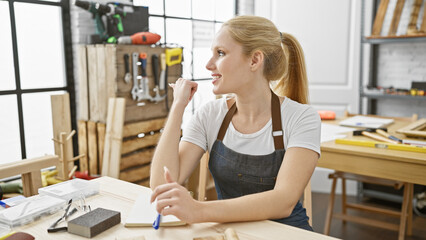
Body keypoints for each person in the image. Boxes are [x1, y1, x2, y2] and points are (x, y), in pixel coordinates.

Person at [150, 15, 320, 231]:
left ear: (255, 60)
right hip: (229, 232)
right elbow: (161, 186)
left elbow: (283, 201)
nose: (209, 64)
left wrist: (198, 210)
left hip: (287, 232)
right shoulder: (210, 115)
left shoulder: (302, 118)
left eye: (220, 53)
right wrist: (177, 107)